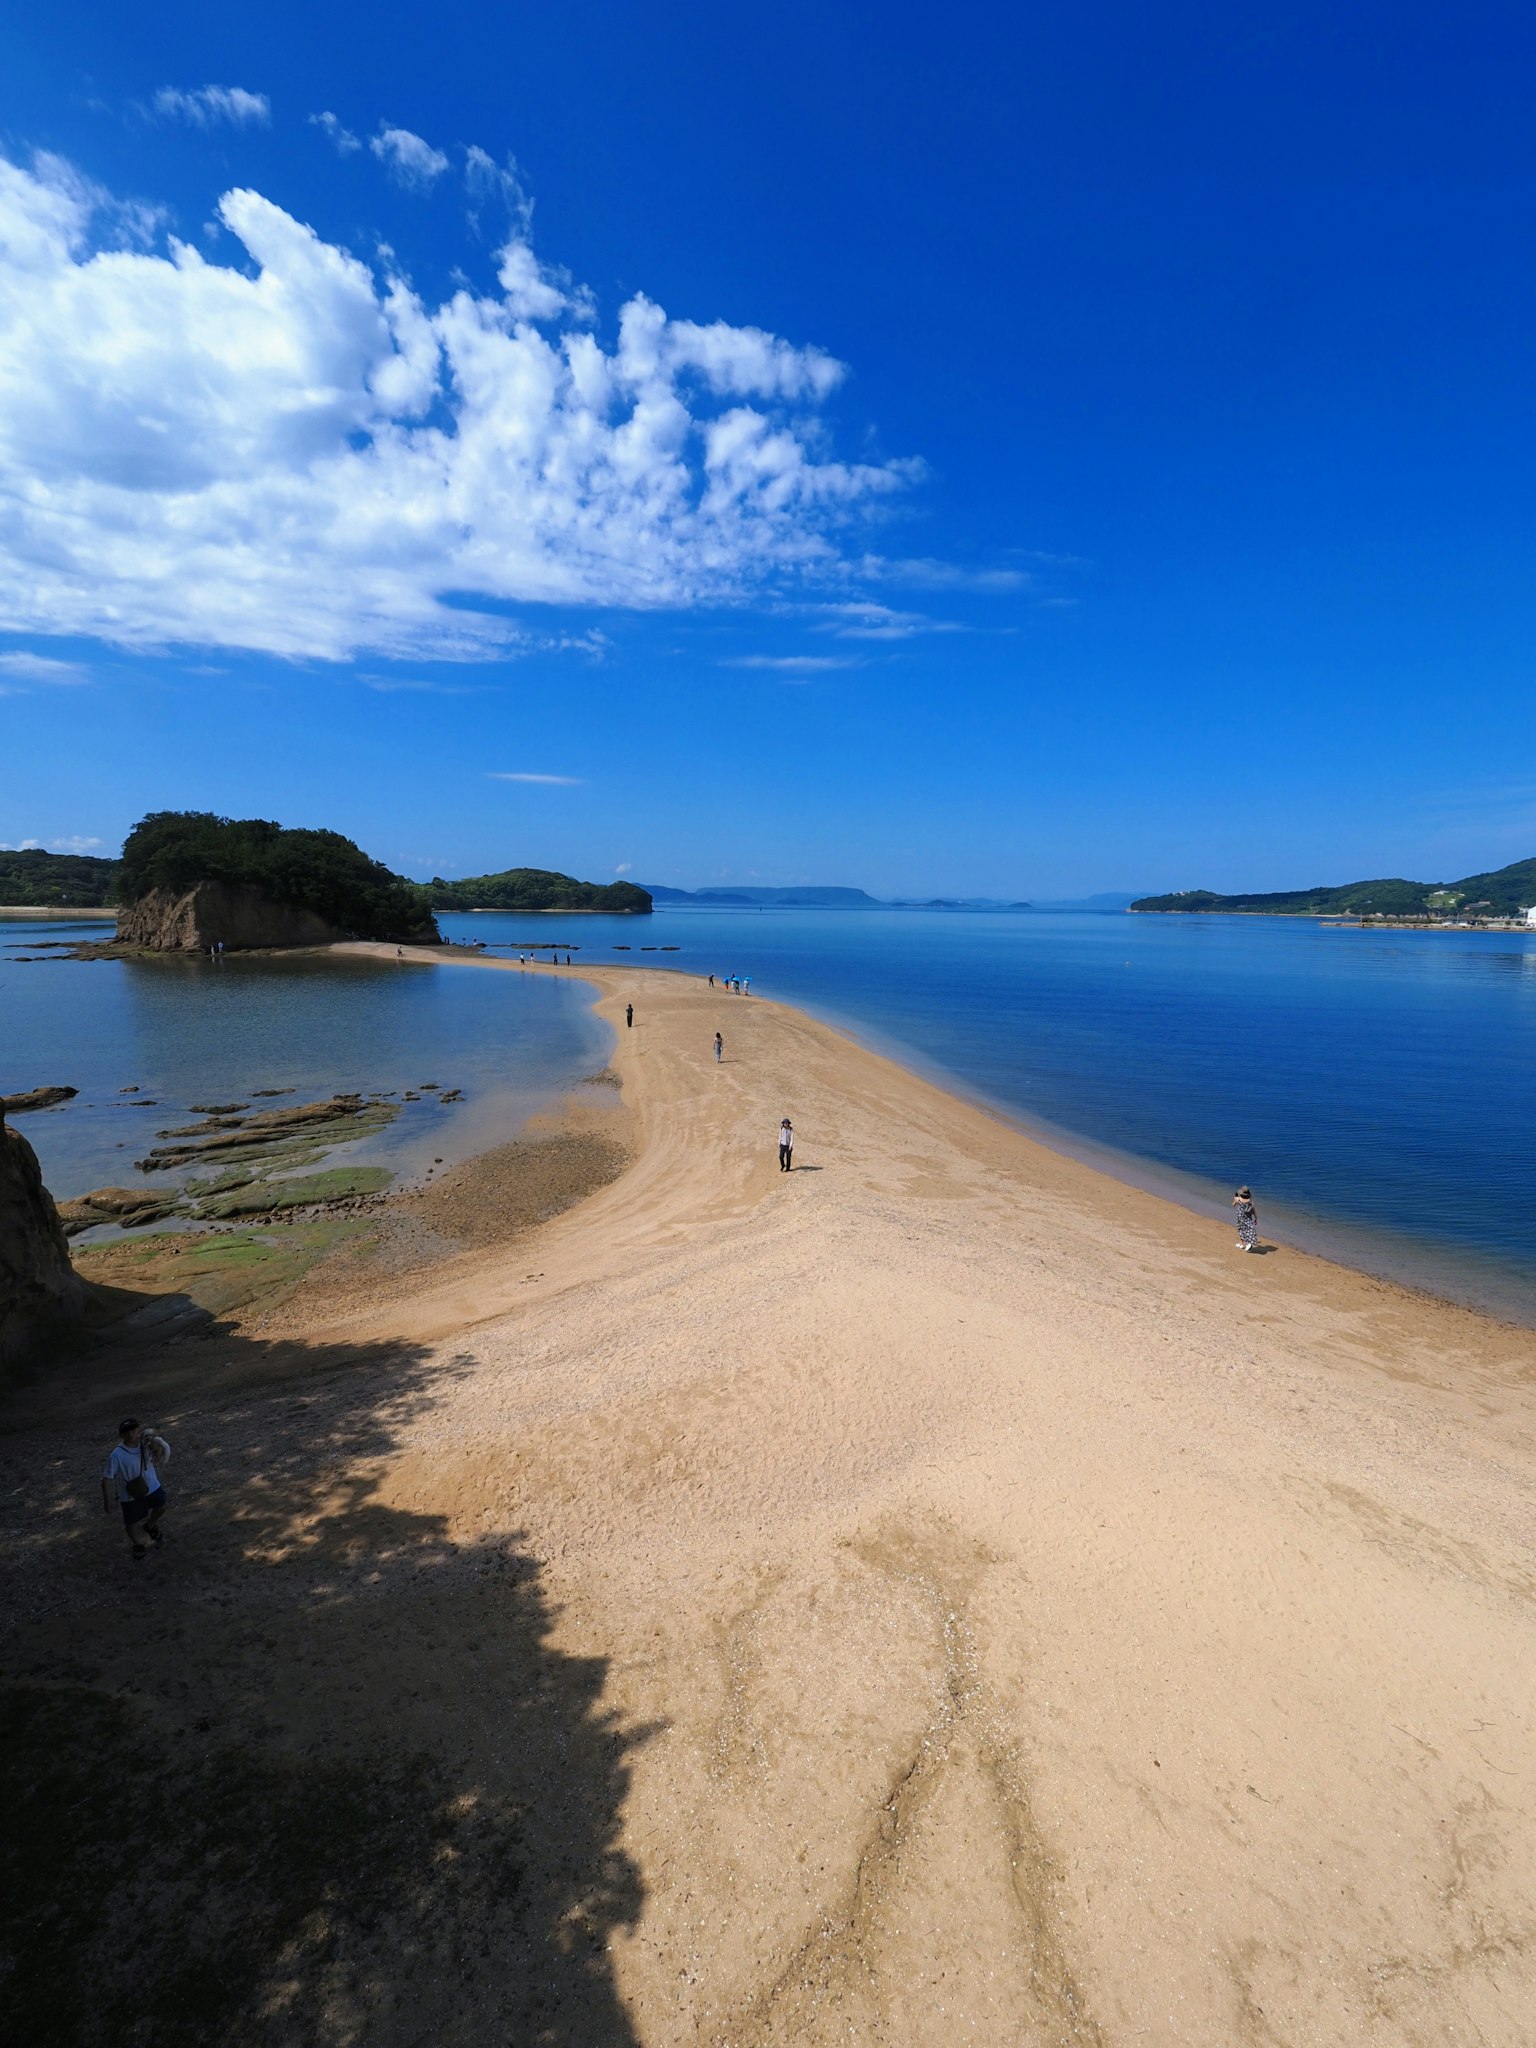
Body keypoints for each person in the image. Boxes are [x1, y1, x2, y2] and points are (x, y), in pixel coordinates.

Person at [102, 1418, 171, 1561]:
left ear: (139, 1429)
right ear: (121, 1435)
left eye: (133, 1429)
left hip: (152, 1486)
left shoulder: (146, 1443)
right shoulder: (116, 1455)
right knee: (131, 1522)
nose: (131, 1433)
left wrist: (156, 1447)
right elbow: (107, 1478)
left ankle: (150, 1525)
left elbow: (157, 1459)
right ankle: (138, 1543)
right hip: (130, 1494)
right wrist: (108, 1500)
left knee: (161, 1506)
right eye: (126, 1431)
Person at [1232, 1186, 1259, 1251]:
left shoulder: (1238, 1199)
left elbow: (1233, 1205)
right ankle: (1243, 1243)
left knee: (1241, 1229)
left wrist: (1235, 1199)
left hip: (1240, 1217)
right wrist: (1256, 1218)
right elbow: (1253, 1210)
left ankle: (1247, 1243)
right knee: (1249, 1229)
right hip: (1248, 1218)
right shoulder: (1250, 1200)